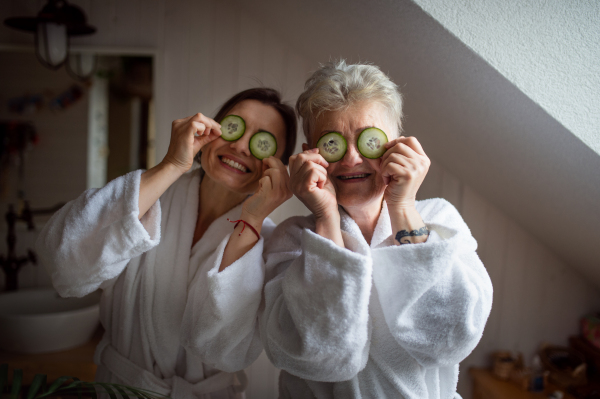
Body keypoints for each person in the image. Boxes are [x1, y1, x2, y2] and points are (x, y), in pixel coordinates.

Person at [36, 88, 296, 398]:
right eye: (233, 127)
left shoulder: (269, 243)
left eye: (262, 142)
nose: (240, 145)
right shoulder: (150, 196)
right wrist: (171, 164)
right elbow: (65, 263)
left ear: (276, 166)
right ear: (210, 131)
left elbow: (224, 351)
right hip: (121, 389)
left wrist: (252, 219)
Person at [259, 61, 493, 398]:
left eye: (367, 140)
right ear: (310, 153)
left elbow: (451, 340)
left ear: (398, 144)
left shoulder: (440, 222)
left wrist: (402, 207)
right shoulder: (293, 240)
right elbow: (313, 356)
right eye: (332, 144)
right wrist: (326, 217)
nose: (352, 158)